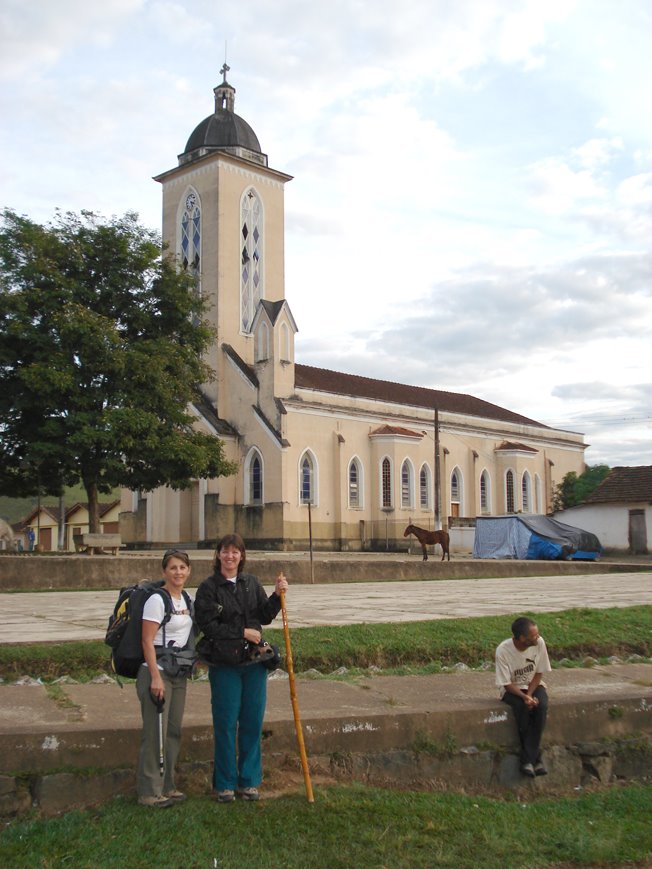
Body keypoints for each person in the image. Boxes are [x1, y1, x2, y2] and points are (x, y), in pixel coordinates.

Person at [194, 533, 289, 803]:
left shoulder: (251, 583)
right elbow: (207, 625)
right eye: (225, 551)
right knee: (225, 723)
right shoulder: (209, 588)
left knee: (252, 721)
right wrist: (241, 633)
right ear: (218, 555)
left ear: (242, 556)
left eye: (235, 552)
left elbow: (264, 616)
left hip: (254, 664)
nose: (230, 556)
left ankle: (248, 780)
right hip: (225, 664)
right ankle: (224, 783)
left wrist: (276, 594)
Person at [136, 549, 195, 808]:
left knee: (173, 731)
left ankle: (168, 784)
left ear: (189, 571)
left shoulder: (186, 599)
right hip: (156, 672)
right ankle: (149, 791)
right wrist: (154, 677)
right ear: (164, 572)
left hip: (178, 673)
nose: (178, 572)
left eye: (182, 567)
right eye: (173, 568)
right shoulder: (156, 601)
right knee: (154, 732)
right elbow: (146, 640)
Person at [495, 616, 551, 778]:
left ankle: (527, 760)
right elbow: (506, 684)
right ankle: (535, 760)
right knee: (522, 710)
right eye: (533, 636)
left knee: (541, 707)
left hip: (533, 685)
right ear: (521, 638)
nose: (537, 638)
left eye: (537, 634)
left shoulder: (540, 643)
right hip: (513, 689)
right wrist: (524, 697)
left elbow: (538, 673)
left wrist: (531, 695)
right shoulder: (503, 651)